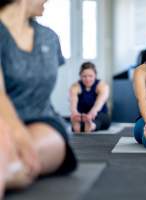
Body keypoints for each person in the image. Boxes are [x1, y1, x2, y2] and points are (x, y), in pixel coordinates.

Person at [0, 0, 77, 198]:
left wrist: (21, 141)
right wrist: (15, 134)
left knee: (9, 158)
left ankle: (9, 170)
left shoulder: (49, 38)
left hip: (41, 120)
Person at [70, 62, 111, 133]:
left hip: (98, 114)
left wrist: (91, 114)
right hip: (82, 116)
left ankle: (92, 125)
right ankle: (79, 125)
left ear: (95, 75)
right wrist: (74, 113)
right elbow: (73, 101)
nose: (87, 79)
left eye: (90, 76)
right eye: (84, 76)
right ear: (80, 76)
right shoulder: (75, 86)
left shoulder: (102, 86)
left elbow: (100, 102)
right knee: (80, 121)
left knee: (101, 120)